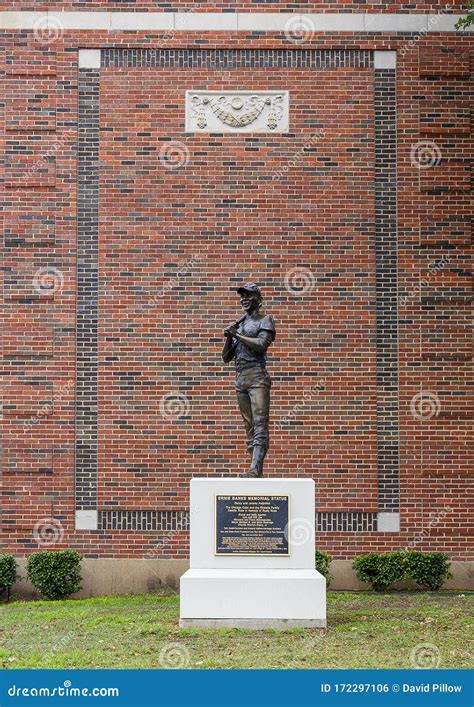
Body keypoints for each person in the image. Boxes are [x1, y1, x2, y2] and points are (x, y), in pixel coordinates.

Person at [222, 283, 276, 478]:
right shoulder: (241, 325)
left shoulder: (265, 320)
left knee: (260, 423)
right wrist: (230, 336)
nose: (244, 299)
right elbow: (226, 357)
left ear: (258, 300)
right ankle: (253, 468)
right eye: (242, 296)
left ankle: (256, 468)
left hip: (257, 377)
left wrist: (237, 334)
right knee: (249, 426)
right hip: (241, 378)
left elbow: (261, 345)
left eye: (248, 295)